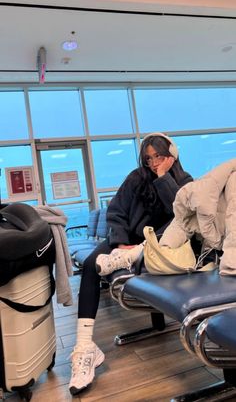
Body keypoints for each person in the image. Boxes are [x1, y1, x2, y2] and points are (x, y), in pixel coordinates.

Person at [69, 132, 193, 395]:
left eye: (158, 156)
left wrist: (163, 179)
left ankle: (133, 255)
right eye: (148, 159)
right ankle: (84, 347)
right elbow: (116, 210)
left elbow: (180, 214)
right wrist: (119, 241)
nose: (153, 163)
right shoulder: (136, 177)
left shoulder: (185, 181)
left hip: (158, 245)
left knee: (175, 227)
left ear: (172, 155)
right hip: (126, 242)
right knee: (92, 265)